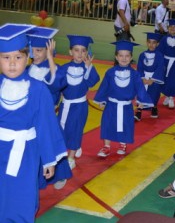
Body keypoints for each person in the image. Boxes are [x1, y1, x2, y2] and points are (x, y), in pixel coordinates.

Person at [0, 23, 67, 223]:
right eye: (5, 57)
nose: (11, 63)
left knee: (23, 204)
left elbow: (46, 125)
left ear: (27, 57)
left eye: (17, 58)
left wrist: (49, 159)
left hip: (26, 157)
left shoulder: (37, 89)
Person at [26, 27, 72, 190]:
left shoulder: (53, 68)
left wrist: (51, 59)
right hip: (30, 117)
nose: (35, 54)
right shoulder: (28, 68)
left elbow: (57, 82)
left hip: (47, 117)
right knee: (33, 148)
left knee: (53, 146)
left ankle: (60, 175)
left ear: (48, 50)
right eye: (32, 50)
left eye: (39, 50)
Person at [95, 40, 153, 158]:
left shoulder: (135, 74)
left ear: (131, 57)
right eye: (121, 55)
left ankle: (123, 144)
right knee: (108, 124)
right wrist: (102, 99)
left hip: (126, 105)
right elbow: (105, 86)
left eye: (127, 56)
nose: (124, 58)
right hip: (111, 104)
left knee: (126, 124)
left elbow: (139, 88)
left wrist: (141, 101)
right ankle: (106, 146)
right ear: (116, 57)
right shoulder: (110, 72)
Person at [57, 35, 100, 170]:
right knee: (61, 128)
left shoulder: (88, 67)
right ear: (70, 52)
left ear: (87, 52)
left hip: (80, 106)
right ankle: (62, 153)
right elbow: (57, 86)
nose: (80, 53)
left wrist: (88, 67)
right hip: (65, 105)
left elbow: (92, 81)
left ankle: (71, 157)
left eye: (83, 50)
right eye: (76, 50)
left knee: (75, 130)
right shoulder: (63, 68)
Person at [157, 19, 175, 109]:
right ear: (168, 28)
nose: (172, 28)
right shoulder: (164, 39)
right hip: (165, 62)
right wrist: (159, 64)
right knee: (164, 81)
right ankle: (167, 95)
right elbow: (160, 51)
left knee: (172, 82)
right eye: (171, 27)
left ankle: (171, 98)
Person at [135, 32, 164, 121]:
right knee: (141, 94)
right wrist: (142, 78)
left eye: (154, 42)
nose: (151, 45)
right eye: (149, 42)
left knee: (154, 94)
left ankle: (154, 107)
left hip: (154, 79)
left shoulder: (159, 56)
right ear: (146, 43)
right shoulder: (142, 55)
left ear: (157, 44)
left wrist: (153, 79)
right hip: (144, 78)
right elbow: (139, 67)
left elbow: (160, 68)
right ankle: (139, 111)